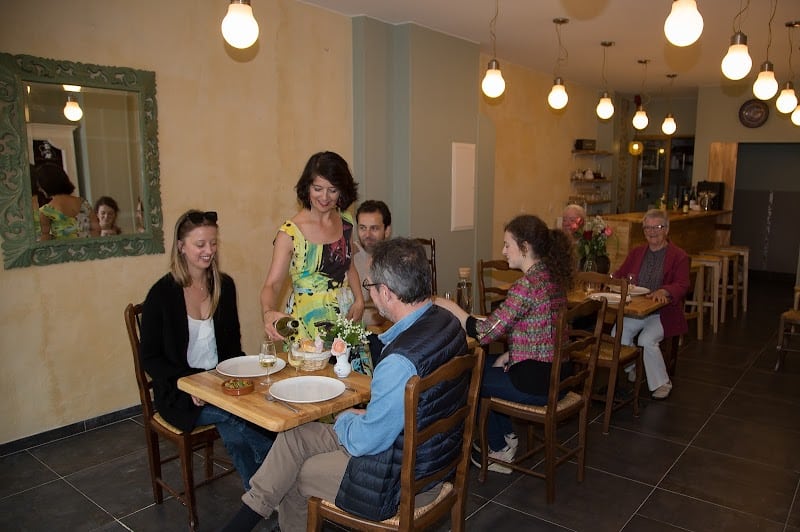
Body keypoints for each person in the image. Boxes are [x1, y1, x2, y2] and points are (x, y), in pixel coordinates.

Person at [221, 238, 468, 532]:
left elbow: (366, 442)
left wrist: (346, 421)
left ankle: (256, 524)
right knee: (294, 436)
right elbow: (423, 406)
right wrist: (365, 419)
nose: (369, 293)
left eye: (369, 286)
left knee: (295, 473)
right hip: (433, 457)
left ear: (387, 293)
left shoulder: (399, 362)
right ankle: (245, 519)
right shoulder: (447, 323)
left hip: (397, 481)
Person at [139, 210, 274, 489]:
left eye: (213, 243)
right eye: (200, 244)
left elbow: (232, 347)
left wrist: (249, 374)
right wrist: (190, 384)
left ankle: (260, 494)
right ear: (181, 246)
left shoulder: (224, 286)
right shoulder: (161, 294)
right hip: (180, 392)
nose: (209, 251)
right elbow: (150, 359)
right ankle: (275, 477)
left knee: (259, 413)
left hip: (221, 382)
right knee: (236, 419)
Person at [435, 214, 574, 474]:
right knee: (484, 366)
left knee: (466, 378)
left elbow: (486, 333)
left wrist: (450, 307)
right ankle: (507, 437)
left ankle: (499, 449)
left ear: (525, 247)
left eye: (507, 244)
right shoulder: (551, 277)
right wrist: (512, 353)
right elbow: (544, 331)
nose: (502, 251)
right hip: (559, 372)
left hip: (539, 382)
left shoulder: (526, 286)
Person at [261, 151, 365, 343]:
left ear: (342, 190)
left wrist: (359, 300)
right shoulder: (290, 233)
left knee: (351, 373)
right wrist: (268, 312)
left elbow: (349, 266)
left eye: (332, 190)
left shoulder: (346, 222)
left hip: (345, 319)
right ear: (307, 187)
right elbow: (272, 284)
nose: (324, 197)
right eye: (318, 188)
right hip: (306, 323)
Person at [612, 209, 689, 400]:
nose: (652, 232)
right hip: (636, 310)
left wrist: (665, 291)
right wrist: (611, 280)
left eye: (657, 227)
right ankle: (632, 367)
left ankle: (663, 383)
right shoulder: (637, 252)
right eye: (648, 227)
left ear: (667, 230)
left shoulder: (679, 256)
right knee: (617, 333)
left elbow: (683, 284)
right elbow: (620, 275)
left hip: (662, 313)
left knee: (646, 340)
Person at [33, 162, 100, 240]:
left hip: (64, 251)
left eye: (39, 186)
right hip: (88, 250)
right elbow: (96, 229)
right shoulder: (83, 203)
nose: (39, 189)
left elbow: (44, 239)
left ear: (46, 185)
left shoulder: (46, 212)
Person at [353, 200, 392, 327]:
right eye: (362, 228)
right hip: (356, 332)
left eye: (374, 228)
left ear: (387, 230)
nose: (367, 235)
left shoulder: (396, 260)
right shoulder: (347, 258)